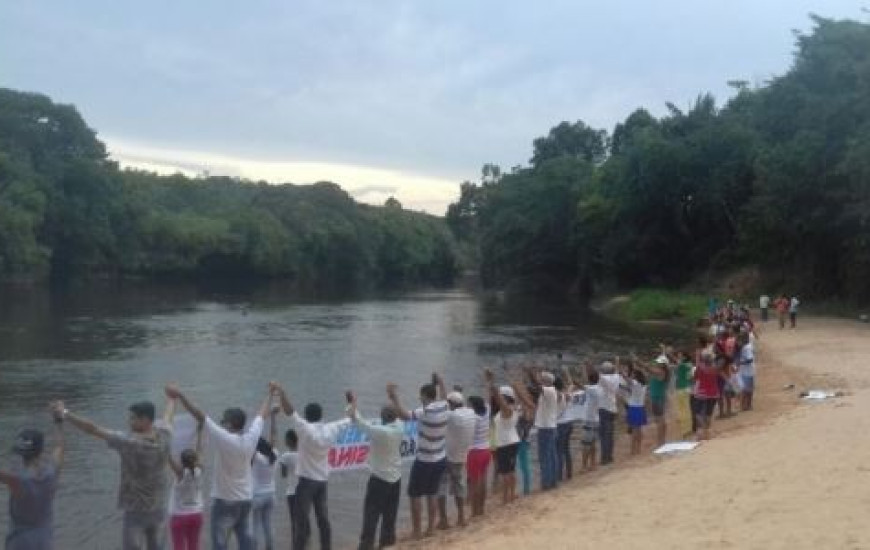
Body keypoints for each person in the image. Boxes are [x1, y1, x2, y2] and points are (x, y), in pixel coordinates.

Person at [166, 384, 271, 550]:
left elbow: (199, 414)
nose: (221, 424)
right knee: (245, 541)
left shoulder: (224, 438)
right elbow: (262, 414)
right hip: (245, 500)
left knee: (220, 544)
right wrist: (271, 393)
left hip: (224, 501)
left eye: (223, 421)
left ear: (229, 424)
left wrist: (180, 395)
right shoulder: (251, 437)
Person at [60, 396, 172, 550]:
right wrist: (172, 398)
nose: (129, 422)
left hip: (136, 511)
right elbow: (168, 416)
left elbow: (92, 428)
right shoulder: (165, 435)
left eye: (133, 418)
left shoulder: (129, 442)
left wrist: (65, 413)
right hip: (159, 507)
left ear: (145, 420)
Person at [271, 382, 350, 550]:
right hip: (322, 481)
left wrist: (281, 393)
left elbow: (290, 411)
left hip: (306, 482)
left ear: (306, 416)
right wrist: (351, 401)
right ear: (321, 415)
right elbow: (350, 417)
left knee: (301, 522)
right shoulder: (331, 428)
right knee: (323, 520)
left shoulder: (305, 429)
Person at [387, 373, 448, 540]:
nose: (419, 397)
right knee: (432, 493)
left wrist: (394, 397)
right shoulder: (444, 406)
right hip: (440, 458)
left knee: (415, 495)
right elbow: (443, 394)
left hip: (425, 460)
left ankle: (417, 531)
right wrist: (440, 381)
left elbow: (403, 415)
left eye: (420, 395)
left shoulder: (424, 411)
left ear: (424, 396)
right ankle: (430, 529)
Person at [348, 386, 404, 550]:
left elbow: (359, 423)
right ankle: (387, 544)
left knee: (371, 515)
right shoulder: (399, 427)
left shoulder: (382, 432)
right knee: (390, 515)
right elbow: (398, 414)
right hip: (396, 478)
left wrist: (352, 403)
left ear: (383, 417)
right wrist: (394, 398)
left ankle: (366, 546)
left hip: (380, 479)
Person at [1, 405, 64, 550]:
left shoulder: (17, 480)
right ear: (41, 450)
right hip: (44, 540)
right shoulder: (52, 471)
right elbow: (59, 447)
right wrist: (58, 421)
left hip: (20, 541)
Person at [166, 402, 205, 550]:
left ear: (181, 462)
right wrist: (200, 431)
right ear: (195, 460)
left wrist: (161, 438)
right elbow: (199, 449)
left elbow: (167, 455)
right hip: (196, 515)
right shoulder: (199, 471)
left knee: (179, 547)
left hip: (179, 516)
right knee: (194, 546)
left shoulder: (180, 473)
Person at [437, 391, 475, 530]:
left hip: (447, 456)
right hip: (461, 456)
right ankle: (461, 517)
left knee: (441, 486)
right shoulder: (470, 413)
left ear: (451, 404)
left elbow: (440, 410)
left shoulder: (451, 415)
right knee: (459, 486)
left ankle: (443, 520)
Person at [484, 370, 523, 504]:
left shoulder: (507, 410)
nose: (498, 398)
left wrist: (491, 382)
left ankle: (506, 497)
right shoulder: (515, 407)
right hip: (512, 441)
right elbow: (496, 399)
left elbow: (497, 397)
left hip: (505, 444)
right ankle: (511, 495)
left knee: (506, 473)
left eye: (501, 397)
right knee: (511, 471)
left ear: (505, 398)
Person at [251, 406, 280, 550]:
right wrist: (273, 417)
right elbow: (274, 435)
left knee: (255, 526)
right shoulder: (274, 455)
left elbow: (250, 442)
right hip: (271, 494)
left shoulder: (257, 458)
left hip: (257, 495)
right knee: (268, 525)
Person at [465, 395, 490, 518]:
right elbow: (487, 400)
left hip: (475, 452)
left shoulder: (473, 418)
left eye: (468, 404)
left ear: (473, 406)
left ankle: (475, 511)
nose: (467, 406)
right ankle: (482, 508)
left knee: (474, 483)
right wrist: (489, 383)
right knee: (483, 481)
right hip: (486, 450)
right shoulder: (487, 411)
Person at [533, 370, 559, 490]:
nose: (540, 382)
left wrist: (531, 374)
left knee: (545, 456)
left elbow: (537, 386)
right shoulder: (552, 391)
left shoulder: (549, 391)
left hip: (545, 428)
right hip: (551, 426)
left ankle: (546, 483)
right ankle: (553, 481)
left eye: (542, 380)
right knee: (552, 456)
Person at [637, 353, 670, 447]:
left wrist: (638, 361)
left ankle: (661, 442)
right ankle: (662, 440)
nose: (656, 364)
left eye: (658, 363)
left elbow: (648, 369)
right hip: (660, 397)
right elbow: (649, 371)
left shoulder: (660, 372)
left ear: (662, 364)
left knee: (659, 420)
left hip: (657, 397)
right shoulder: (663, 372)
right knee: (661, 419)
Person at [554, 369, 579, 482]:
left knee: (558, 451)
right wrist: (567, 373)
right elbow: (572, 384)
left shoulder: (557, 396)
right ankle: (569, 473)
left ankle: (558, 475)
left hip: (559, 425)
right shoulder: (567, 395)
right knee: (566, 449)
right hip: (569, 423)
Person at [597, 360, 621, 465]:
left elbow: (597, 376)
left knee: (604, 435)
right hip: (612, 408)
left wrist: (588, 365)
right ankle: (610, 456)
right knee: (610, 434)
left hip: (604, 408)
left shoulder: (604, 379)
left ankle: (604, 458)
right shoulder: (616, 377)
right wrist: (617, 361)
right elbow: (616, 369)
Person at [277, 430, 299, 547]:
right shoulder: (304, 454)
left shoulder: (286, 456)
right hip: (304, 492)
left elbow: (284, 475)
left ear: (289, 441)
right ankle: (305, 541)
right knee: (303, 519)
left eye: (286, 439)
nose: (284, 441)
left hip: (292, 492)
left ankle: (295, 544)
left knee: (294, 520)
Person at [693, 350, 721, 440]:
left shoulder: (700, 368)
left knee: (698, 413)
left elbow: (695, 377)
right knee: (709, 413)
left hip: (702, 393)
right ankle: (708, 432)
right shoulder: (715, 367)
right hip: (713, 393)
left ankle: (701, 432)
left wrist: (697, 362)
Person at [577, 367, 601, 472]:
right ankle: (593, 464)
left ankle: (584, 466)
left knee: (586, 444)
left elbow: (580, 384)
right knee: (593, 443)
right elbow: (585, 382)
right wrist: (585, 369)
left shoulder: (592, 389)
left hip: (589, 420)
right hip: (596, 419)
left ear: (590, 380)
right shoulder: (600, 388)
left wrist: (567, 374)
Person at [622, 365, 647, 455]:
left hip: (634, 408)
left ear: (635, 376)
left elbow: (627, 380)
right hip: (641, 407)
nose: (631, 375)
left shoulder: (635, 383)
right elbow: (631, 388)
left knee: (634, 430)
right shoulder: (643, 384)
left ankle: (633, 450)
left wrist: (622, 372)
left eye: (632, 374)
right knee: (639, 429)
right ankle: (638, 449)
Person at [674, 351, 694, 438]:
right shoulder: (689, 365)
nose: (679, 358)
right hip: (685, 388)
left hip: (682, 389)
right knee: (686, 410)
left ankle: (686, 430)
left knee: (683, 410)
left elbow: (675, 362)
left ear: (684, 357)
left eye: (680, 356)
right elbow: (691, 377)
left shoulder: (683, 365)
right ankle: (687, 430)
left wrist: (666, 352)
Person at [737, 333, 756, 411]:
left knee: (746, 389)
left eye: (739, 340)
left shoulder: (746, 348)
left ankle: (746, 405)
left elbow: (750, 359)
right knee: (747, 389)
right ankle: (747, 405)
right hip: (746, 370)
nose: (738, 342)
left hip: (747, 371)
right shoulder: (746, 347)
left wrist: (741, 362)